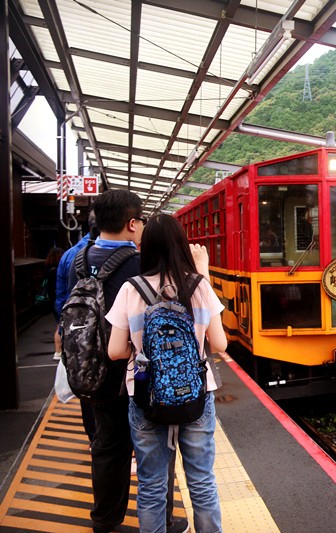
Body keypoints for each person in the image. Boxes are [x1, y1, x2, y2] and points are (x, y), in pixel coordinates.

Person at [107, 214, 226, 533]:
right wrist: (204, 273)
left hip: (146, 395)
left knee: (151, 487)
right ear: (181, 245)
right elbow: (219, 343)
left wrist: (142, 349)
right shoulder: (199, 286)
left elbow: (115, 351)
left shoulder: (131, 289)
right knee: (202, 482)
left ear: (145, 248)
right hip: (196, 394)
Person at [65, 191, 143, 533]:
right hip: (128, 368)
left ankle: (105, 520)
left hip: (88, 369)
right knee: (149, 445)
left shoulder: (77, 260)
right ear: (132, 223)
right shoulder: (137, 263)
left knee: (106, 445)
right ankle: (161, 519)